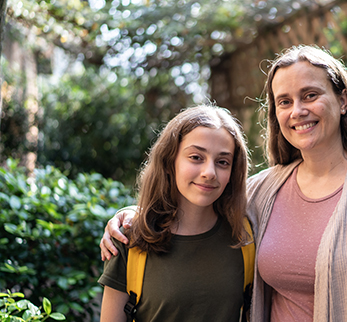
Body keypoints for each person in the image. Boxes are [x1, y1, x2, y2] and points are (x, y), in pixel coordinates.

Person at [100, 45, 347, 321]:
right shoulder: (263, 190)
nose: (297, 111)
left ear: (343, 101)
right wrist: (133, 214)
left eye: (310, 95)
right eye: (284, 101)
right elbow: (199, 202)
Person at [98, 104, 252, 322]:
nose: (209, 173)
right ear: (170, 161)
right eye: (196, 157)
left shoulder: (245, 238)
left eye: (222, 162)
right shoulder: (129, 238)